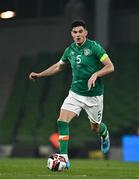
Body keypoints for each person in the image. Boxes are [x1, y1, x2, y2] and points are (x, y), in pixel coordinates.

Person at [29, 20, 114, 169]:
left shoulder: (94, 47)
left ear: (85, 33)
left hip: (94, 95)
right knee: (62, 121)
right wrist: (40, 74)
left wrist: (96, 74)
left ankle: (104, 133)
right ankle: (64, 158)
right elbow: (58, 66)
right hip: (75, 93)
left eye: (80, 31)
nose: (78, 35)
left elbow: (110, 67)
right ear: (72, 34)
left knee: (95, 127)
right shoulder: (70, 50)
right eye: (75, 32)